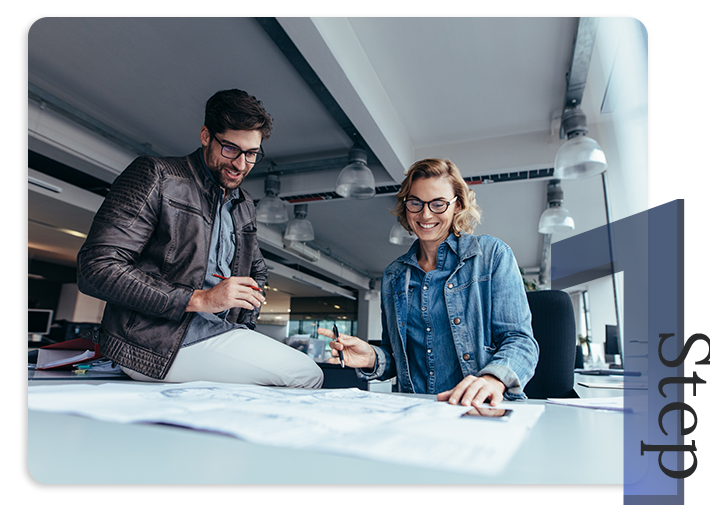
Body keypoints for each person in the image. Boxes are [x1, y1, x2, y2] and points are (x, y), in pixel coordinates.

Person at [77, 89, 323, 388]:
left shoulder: (243, 203)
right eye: (230, 149)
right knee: (305, 374)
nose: (241, 165)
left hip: (217, 333)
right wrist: (200, 299)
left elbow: (256, 270)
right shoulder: (158, 175)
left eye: (251, 154)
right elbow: (97, 268)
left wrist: (244, 325)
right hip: (153, 344)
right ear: (206, 135)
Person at [319, 158, 538, 407]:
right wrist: (371, 356)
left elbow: (520, 341)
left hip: (480, 409)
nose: (425, 214)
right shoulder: (394, 276)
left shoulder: (492, 255)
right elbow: (397, 357)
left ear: (458, 205)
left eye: (438, 204)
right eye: (416, 203)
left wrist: (492, 379)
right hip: (417, 410)